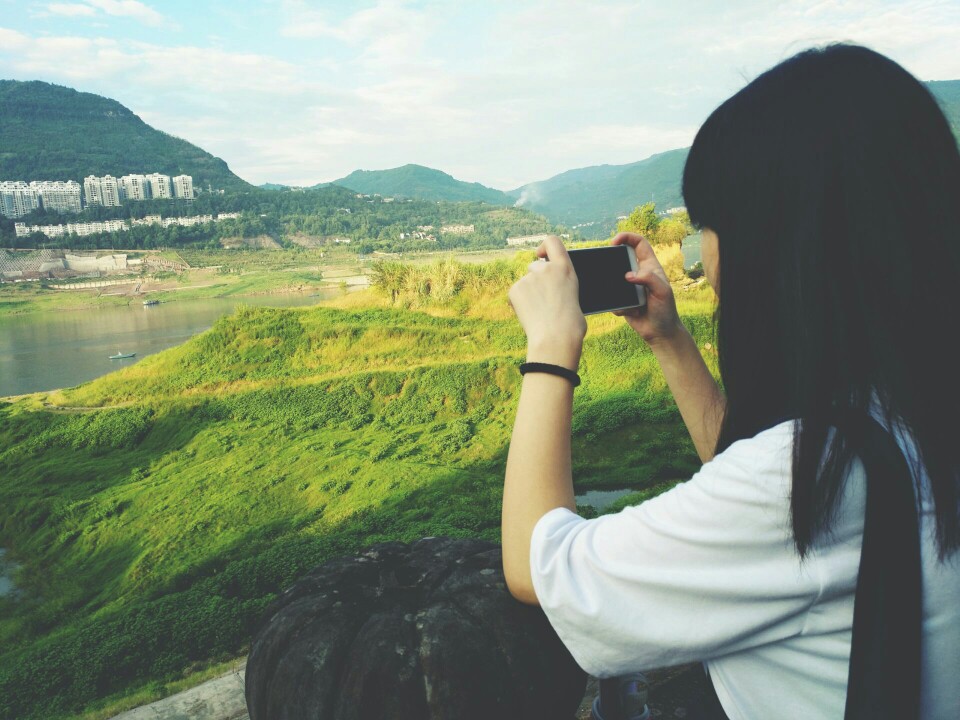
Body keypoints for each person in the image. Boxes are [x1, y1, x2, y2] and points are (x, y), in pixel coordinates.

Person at [501, 43, 959, 719]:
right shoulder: (912, 404)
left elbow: (537, 565)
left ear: (778, 246)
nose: (700, 264)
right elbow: (764, 471)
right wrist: (671, 341)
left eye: (707, 230)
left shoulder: (800, 485)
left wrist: (549, 348)